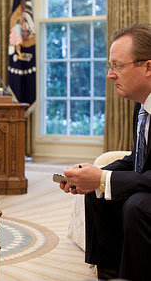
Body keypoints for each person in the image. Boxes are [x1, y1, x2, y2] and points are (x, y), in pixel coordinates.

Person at [59, 24, 151, 280]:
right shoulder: (142, 105)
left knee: (138, 204)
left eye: (118, 66)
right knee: (99, 192)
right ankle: (110, 274)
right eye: (109, 66)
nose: (111, 75)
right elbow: (137, 160)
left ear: (148, 67)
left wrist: (102, 178)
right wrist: (93, 176)